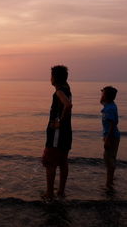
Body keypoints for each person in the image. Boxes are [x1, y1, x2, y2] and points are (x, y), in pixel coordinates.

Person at [42, 65, 72, 200]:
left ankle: (49, 194)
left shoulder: (60, 92)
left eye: (51, 76)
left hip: (57, 133)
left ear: (54, 78)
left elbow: (68, 105)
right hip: (66, 132)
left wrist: (60, 122)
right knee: (63, 161)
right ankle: (61, 191)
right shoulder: (67, 89)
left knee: (50, 162)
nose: (50, 78)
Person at [100, 86, 120, 189]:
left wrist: (107, 139)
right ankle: (110, 179)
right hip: (112, 136)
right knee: (111, 157)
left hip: (111, 137)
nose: (101, 95)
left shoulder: (110, 108)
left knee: (108, 158)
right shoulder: (109, 105)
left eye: (102, 94)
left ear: (106, 96)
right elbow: (102, 102)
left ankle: (109, 182)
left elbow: (113, 124)